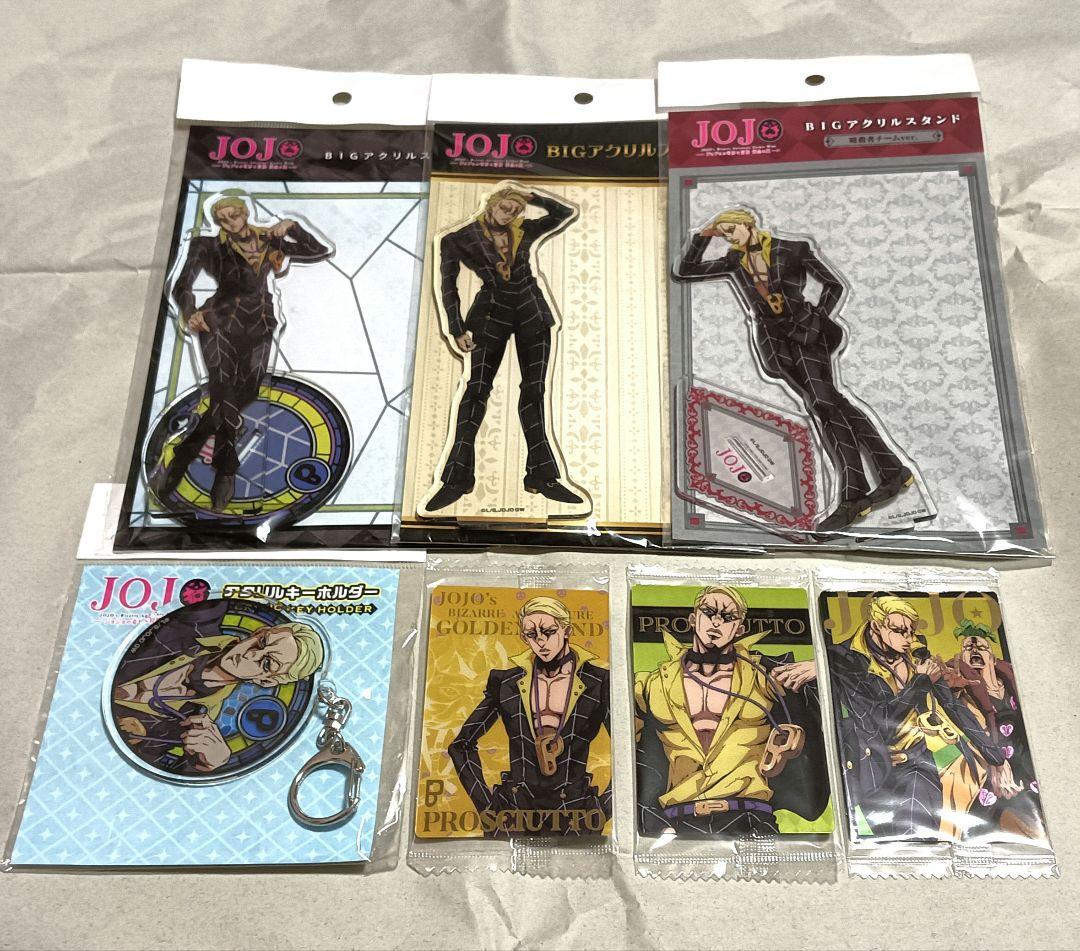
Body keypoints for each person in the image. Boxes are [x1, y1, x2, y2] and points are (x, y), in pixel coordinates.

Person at [673, 208, 912, 532]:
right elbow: (686, 270)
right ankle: (892, 471)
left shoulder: (793, 249)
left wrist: (817, 318)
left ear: (748, 224)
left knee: (824, 406)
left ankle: (855, 495)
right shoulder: (734, 260)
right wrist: (703, 236)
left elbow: (833, 285)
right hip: (776, 344)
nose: (728, 237)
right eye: (724, 233)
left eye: (732, 230)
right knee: (832, 404)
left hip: (807, 335)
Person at [150, 192, 332, 511]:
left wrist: (293, 225)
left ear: (245, 213)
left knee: (246, 391)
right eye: (222, 219)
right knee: (222, 388)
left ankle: (184, 452)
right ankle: (225, 470)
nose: (230, 223)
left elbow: (318, 251)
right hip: (217, 321)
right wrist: (190, 312)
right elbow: (181, 285)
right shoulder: (206, 246)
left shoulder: (270, 239)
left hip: (259, 322)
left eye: (234, 215)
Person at [426, 183, 584, 511]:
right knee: (476, 391)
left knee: (534, 392)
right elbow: (448, 286)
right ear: (491, 204)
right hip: (489, 315)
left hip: (531, 312)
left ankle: (542, 476)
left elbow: (565, 213)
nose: (508, 214)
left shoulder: (524, 229)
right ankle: (456, 478)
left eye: (515, 210)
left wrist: (532, 196)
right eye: (504, 208)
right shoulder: (457, 238)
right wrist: (456, 327)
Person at [634, 585, 828, 837]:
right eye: (709, 612)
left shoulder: (763, 676)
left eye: (727, 617)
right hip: (678, 820)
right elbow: (625, 752)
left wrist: (821, 665)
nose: (716, 622)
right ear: (693, 619)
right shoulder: (652, 683)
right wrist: (647, 819)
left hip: (750, 816)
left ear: (739, 630)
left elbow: (840, 696)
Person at [826, 596, 1017, 840]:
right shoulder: (846, 659)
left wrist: (995, 756)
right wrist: (920, 681)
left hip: (917, 764)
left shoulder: (915, 654)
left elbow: (953, 707)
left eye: (911, 631)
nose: (907, 639)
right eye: (899, 631)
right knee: (888, 846)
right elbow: (880, 720)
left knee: (923, 838)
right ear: (876, 626)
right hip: (873, 769)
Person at [448, 596, 610, 836]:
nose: (541, 641)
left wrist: (603, 809)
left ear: (567, 631)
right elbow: (461, 745)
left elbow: (633, 748)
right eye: (531, 634)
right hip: (513, 810)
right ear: (524, 637)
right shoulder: (506, 682)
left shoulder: (599, 682)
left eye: (548, 632)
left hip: (576, 812)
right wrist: (487, 808)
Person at [111, 599, 324, 774]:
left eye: (267, 663)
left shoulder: (195, 726)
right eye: (261, 642)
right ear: (257, 632)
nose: (250, 654)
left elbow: (160, 769)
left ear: (266, 681)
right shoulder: (198, 623)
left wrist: (213, 763)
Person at [941, 620, 1045, 841]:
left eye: (981, 647)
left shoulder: (1011, 680)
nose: (975, 651)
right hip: (989, 762)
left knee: (1037, 813)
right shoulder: (963, 688)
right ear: (961, 657)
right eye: (968, 648)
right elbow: (967, 725)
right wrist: (996, 762)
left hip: (1026, 760)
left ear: (992, 656)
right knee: (988, 818)